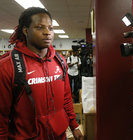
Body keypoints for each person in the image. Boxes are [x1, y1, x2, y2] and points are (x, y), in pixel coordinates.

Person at [0, 7, 83, 140]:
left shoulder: (60, 61)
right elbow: (2, 116)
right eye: (40, 27)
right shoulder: (7, 66)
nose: (47, 32)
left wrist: (74, 125)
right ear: (26, 31)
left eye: (50, 28)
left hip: (60, 136)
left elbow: (66, 98)